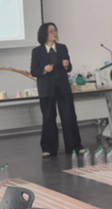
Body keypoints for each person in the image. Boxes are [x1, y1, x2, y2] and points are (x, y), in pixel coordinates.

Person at [30, 22, 83, 158]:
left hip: (63, 87)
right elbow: (34, 71)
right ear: (44, 34)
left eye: (55, 30)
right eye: (51, 31)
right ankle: (48, 148)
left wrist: (66, 65)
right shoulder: (37, 51)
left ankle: (74, 146)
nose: (54, 33)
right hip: (47, 89)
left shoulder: (62, 48)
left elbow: (69, 68)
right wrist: (44, 69)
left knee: (69, 116)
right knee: (48, 118)